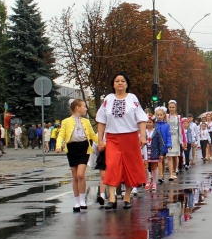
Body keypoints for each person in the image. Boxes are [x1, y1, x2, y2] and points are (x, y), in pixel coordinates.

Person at [96, 73, 149, 210]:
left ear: (126, 84)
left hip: (130, 137)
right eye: (117, 81)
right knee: (112, 165)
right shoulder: (108, 99)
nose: (120, 83)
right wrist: (100, 139)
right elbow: (101, 120)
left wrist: (143, 136)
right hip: (113, 137)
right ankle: (112, 198)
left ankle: (127, 197)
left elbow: (141, 118)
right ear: (113, 84)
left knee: (129, 167)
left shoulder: (132, 98)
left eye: (123, 81)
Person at [57, 99, 99, 212]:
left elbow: (92, 134)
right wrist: (58, 145)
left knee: (81, 174)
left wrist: (102, 143)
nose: (86, 109)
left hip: (83, 148)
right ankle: (77, 202)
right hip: (72, 148)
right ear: (77, 108)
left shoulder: (86, 121)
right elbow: (61, 135)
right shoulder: (66, 121)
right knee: (75, 176)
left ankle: (82, 200)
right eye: (84, 106)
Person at [166, 100, 185, 180]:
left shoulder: (178, 117)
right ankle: (171, 174)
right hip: (169, 138)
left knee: (175, 156)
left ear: (175, 108)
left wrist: (182, 141)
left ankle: (174, 171)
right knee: (169, 156)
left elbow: (181, 130)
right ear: (168, 107)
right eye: (170, 107)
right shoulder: (166, 117)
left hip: (176, 138)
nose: (171, 109)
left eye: (173, 107)